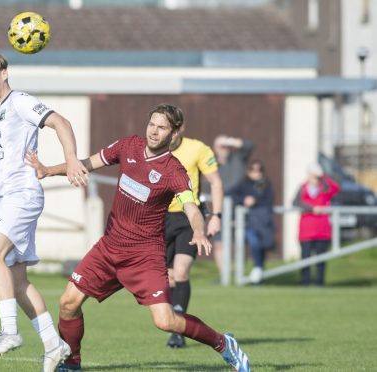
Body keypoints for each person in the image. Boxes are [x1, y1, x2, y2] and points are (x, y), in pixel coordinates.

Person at [27, 104, 250, 372]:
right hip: (109, 247)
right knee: (68, 303)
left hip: (144, 256)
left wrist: (199, 230)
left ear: (175, 133)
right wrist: (48, 170)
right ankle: (72, 363)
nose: (154, 132)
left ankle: (223, 344)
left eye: (162, 127)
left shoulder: (174, 170)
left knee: (166, 322)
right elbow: (88, 163)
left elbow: (191, 207)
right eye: (152, 124)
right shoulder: (128, 146)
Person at [0, 52, 88, 372]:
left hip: (23, 196)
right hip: (8, 197)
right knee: (17, 280)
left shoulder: (19, 102)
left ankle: (10, 332)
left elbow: (61, 122)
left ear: (4, 74)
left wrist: (71, 159)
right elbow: (0, 164)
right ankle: (54, 345)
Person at [163, 125, 223, 348]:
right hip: (159, 218)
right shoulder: (152, 148)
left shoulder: (197, 148)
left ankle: (178, 330)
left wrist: (216, 216)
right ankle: (173, 323)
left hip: (189, 217)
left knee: (181, 271)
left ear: (180, 129)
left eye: (171, 129)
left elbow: (216, 182)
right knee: (167, 278)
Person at [210, 135, 254, 277]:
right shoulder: (211, 163)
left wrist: (229, 141)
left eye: (226, 147)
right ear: (215, 148)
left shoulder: (237, 159)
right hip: (219, 208)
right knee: (219, 243)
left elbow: (249, 145)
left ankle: (237, 274)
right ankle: (224, 276)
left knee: (237, 242)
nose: (224, 149)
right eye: (221, 146)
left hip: (238, 207)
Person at [292, 163, 340, 287]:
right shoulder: (303, 188)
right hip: (306, 230)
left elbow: (336, 188)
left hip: (322, 229)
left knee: (321, 259)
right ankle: (305, 282)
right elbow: (295, 202)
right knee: (305, 258)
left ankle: (319, 282)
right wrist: (311, 208)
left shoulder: (324, 188)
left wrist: (323, 176)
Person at [230, 160, 275, 284]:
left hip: (262, 222)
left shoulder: (266, 184)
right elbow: (231, 194)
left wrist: (255, 201)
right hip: (247, 222)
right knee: (254, 243)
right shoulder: (243, 183)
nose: (256, 173)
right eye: (253, 170)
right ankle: (256, 269)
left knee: (262, 247)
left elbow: (269, 200)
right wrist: (243, 200)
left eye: (259, 170)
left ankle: (259, 273)